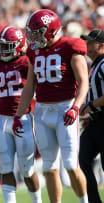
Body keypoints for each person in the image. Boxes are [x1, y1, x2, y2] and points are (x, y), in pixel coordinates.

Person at [12, 9, 89, 203]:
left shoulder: (71, 46)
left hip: (65, 109)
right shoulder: (33, 51)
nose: (34, 37)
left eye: (38, 32)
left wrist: (76, 107)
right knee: (48, 166)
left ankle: (84, 201)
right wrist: (18, 115)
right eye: (32, 32)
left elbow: (83, 81)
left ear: (51, 29)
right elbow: (30, 86)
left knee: (71, 164)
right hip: (42, 111)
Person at [0, 26, 41, 203]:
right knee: (5, 168)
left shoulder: (26, 63)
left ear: (19, 45)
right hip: (1, 120)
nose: (3, 49)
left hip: (22, 119)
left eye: (7, 45)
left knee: (27, 170)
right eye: (1, 45)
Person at [79, 29, 104, 203]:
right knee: (82, 160)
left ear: (101, 46)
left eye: (90, 42)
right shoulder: (96, 65)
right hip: (95, 123)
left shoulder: (103, 64)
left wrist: (91, 105)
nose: (87, 45)